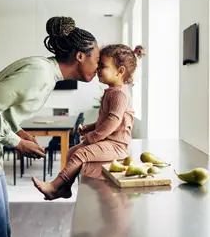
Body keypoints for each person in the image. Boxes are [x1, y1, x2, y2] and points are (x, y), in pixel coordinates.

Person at [0, 16, 100, 237]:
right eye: (98, 59)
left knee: (0, 231)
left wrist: (20, 132)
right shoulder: (39, 73)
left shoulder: (44, 71)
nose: (99, 67)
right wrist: (17, 143)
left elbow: (2, 109)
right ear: (80, 56)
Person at [32, 44, 146, 200]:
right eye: (98, 66)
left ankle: (54, 186)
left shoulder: (120, 94)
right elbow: (105, 120)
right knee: (72, 151)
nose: (98, 69)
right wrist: (89, 127)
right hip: (108, 141)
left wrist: (94, 136)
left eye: (103, 66)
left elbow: (113, 121)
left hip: (118, 145)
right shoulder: (112, 91)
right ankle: (65, 188)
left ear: (120, 71)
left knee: (81, 154)